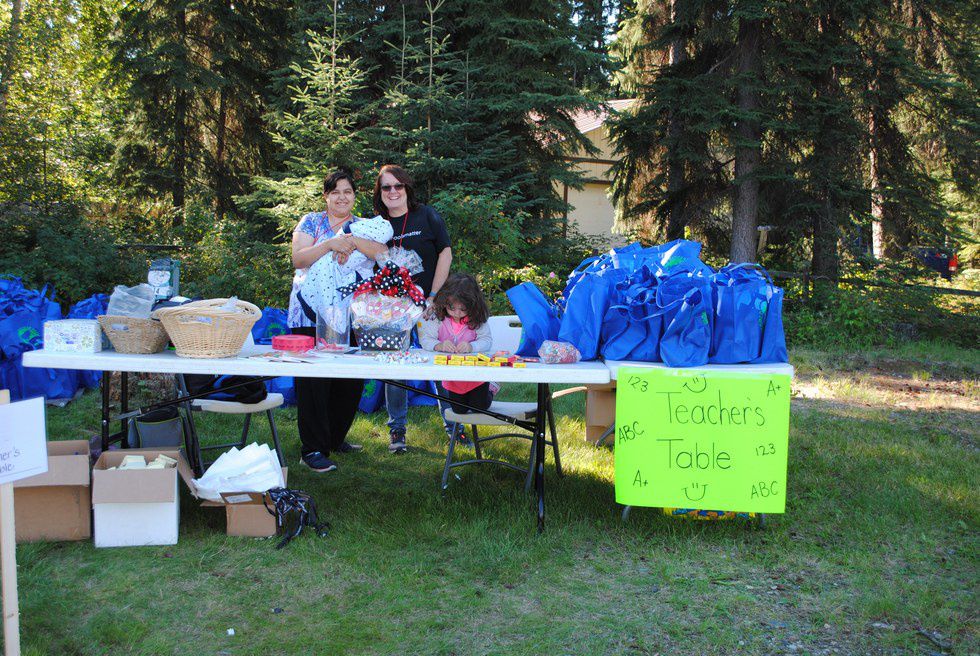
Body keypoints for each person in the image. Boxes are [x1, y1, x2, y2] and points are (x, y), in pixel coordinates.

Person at [289, 169, 386, 473]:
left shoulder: (363, 225)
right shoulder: (312, 222)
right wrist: (331, 244)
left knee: (349, 380)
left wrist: (352, 240)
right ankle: (313, 449)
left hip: (350, 314)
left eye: (347, 191)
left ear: (354, 195)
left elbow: (381, 253)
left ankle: (334, 437)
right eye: (335, 192)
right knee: (314, 382)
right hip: (311, 313)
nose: (342, 197)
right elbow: (299, 259)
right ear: (326, 196)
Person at [373, 164, 452, 453]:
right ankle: (397, 431)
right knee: (395, 367)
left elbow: (445, 252)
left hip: (431, 303)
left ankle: (454, 426)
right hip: (393, 308)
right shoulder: (376, 225)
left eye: (398, 185)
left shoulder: (427, 215)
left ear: (407, 188)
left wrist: (434, 296)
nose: (393, 191)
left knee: (441, 362)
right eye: (386, 187)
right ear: (380, 192)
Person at [420, 273, 498, 440]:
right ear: (444, 302)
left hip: (476, 374)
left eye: (463, 309)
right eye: (452, 308)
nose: (457, 313)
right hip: (451, 376)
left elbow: (487, 341)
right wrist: (439, 345)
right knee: (458, 410)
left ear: (473, 305)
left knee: (479, 407)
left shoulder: (477, 319)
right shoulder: (438, 318)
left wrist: (472, 346)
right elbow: (426, 340)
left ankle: (491, 388)